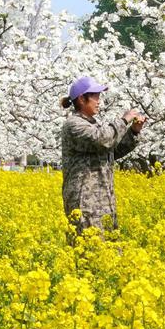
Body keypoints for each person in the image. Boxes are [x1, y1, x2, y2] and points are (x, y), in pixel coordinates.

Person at [59, 74, 147, 232]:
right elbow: (103, 140)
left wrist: (133, 132)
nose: (99, 101)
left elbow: (111, 150)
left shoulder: (91, 125)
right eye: (95, 96)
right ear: (81, 99)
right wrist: (124, 120)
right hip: (85, 205)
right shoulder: (74, 125)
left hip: (102, 203)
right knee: (88, 252)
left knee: (108, 252)